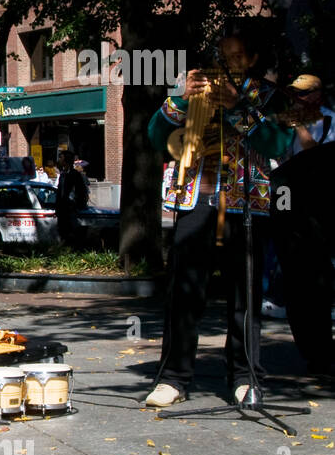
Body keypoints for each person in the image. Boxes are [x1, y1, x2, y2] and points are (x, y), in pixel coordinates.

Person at [143, 33, 295, 408]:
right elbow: (156, 137)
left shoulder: (271, 96)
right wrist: (178, 100)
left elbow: (279, 144)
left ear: (254, 57)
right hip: (196, 198)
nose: (229, 63)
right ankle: (174, 378)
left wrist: (239, 107)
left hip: (247, 202)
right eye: (224, 57)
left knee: (245, 293)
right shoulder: (192, 88)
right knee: (184, 290)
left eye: (238, 56)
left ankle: (245, 376)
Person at [269, 73, 335, 375]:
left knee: (321, 277)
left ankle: (323, 351)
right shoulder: (281, 123)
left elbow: (315, 156)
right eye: (295, 93)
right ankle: (310, 350)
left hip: (320, 206)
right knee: (296, 274)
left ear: (318, 95)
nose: (298, 99)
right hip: (288, 202)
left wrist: (301, 129)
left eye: (304, 94)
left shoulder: (330, 121)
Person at [56, 149, 89, 247]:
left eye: (61, 158)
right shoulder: (63, 174)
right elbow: (60, 191)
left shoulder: (74, 174)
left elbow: (81, 191)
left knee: (71, 232)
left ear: (66, 159)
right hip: (62, 209)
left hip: (70, 209)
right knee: (62, 231)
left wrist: (76, 204)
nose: (59, 160)